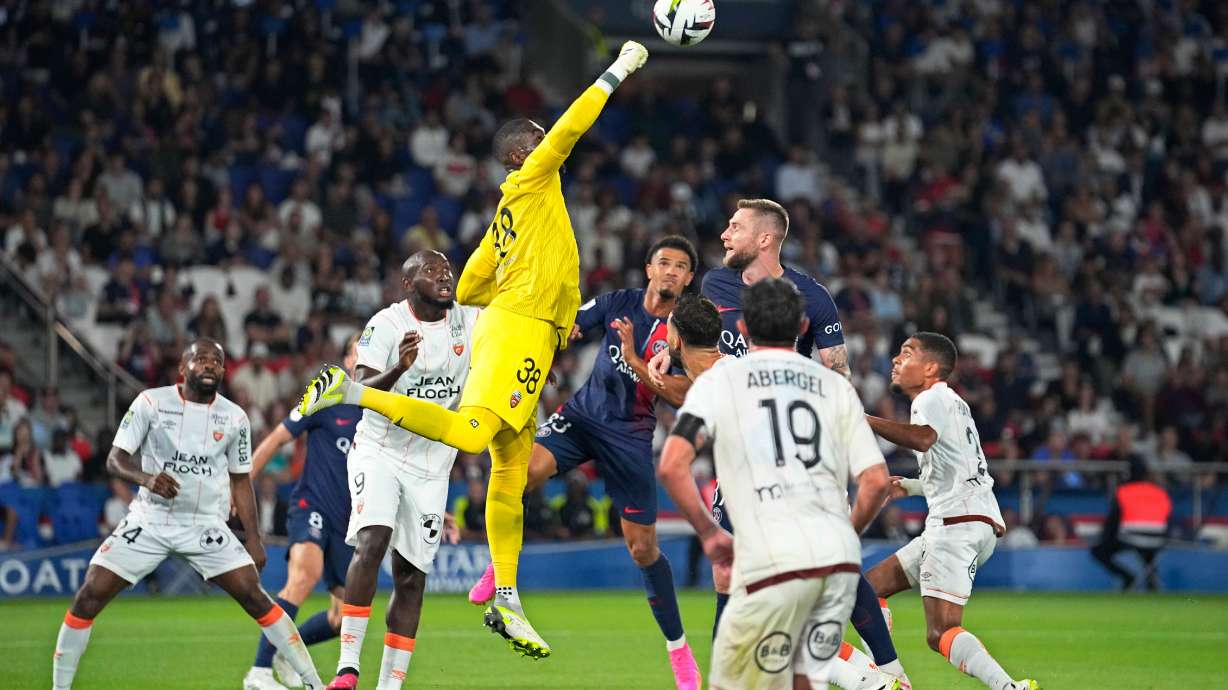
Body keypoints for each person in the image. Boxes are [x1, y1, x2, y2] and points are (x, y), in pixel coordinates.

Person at [298, 41, 651, 658]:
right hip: (520, 328)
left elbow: (467, 286)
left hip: (525, 328)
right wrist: (619, 69)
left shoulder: (510, 214)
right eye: (537, 141)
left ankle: (508, 597)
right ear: (522, 152)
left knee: (511, 468)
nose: (547, 147)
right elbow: (570, 128)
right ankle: (349, 390)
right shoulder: (534, 176)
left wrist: (526, 300)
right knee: (468, 435)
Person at [678, 197, 908, 686]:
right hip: (740, 451)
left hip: (794, 452)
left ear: (765, 238)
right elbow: (692, 338)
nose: (723, 235)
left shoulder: (812, 295)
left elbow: (838, 373)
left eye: (734, 227)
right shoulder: (714, 284)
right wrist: (662, 354)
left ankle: (886, 671)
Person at [466, 236, 703, 689]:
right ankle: (502, 565)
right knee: (522, 472)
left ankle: (679, 651)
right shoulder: (619, 301)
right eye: (664, 262)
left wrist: (635, 360)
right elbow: (571, 327)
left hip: (630, 438)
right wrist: (547, 352)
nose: (671, 271)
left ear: (689, 279)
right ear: (649, 269)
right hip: (581, 417)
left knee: (643, 550)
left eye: (680, 266)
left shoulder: (684, 331)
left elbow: (682, 395)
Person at [51, 339, 323, 690]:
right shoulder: (151, 402)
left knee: (255, 597)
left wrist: (254, 539)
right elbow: (114, 460)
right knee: (89, 593)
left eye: (216, 361)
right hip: (149, 520)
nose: (209, 365)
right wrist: (147, 479)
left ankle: (315, 683)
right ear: (183, 368)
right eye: (200, 359)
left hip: (204, 524)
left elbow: (241, 481)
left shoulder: (235, 417)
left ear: (224, 372)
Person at [326, 251, 477, 690]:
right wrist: (398, 369)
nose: (444, 275)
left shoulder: (469, 321)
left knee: (412, 576)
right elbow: (358, 388)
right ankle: (348, 668)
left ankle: (389, 686)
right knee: (373, 539)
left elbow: (509, 339)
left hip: (433, 464)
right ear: (408, 283)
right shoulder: (386, 325)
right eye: (431, 270)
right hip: (381, 450)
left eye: (447, 268)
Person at [864, 333, 1040, 690]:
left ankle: (1010, 688)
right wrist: (911, 486)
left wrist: (861, 418)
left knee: (940, 631)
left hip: (956, 524)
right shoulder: (953, 402)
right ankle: (890, 678)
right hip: (970, 519)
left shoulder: (930, 398)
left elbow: (922, 438)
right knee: (869, 590)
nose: (897, 360)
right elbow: (960, 465)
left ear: (930, 368)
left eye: (907, 353)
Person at [243, 334, 363, 690]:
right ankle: (259, 672)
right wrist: (240, 485)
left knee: (341, 619)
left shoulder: (382, 407)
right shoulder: (327, 394)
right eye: (360, 349)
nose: (368, 356)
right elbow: (277, 439)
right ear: (346, 358)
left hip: (349, 522)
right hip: (312, 506)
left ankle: (285, 653)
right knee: (303, 576)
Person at [1090, 457, 1171, 591]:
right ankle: (1152, 581)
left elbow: (1113, 522)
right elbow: (1168, 519)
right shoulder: (1160, 492)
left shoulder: (1123, 491)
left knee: (1099, 551)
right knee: (1148, 550)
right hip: (1158, 540)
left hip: (1130, 537)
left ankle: (1127, 577)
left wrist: (1103, 539)